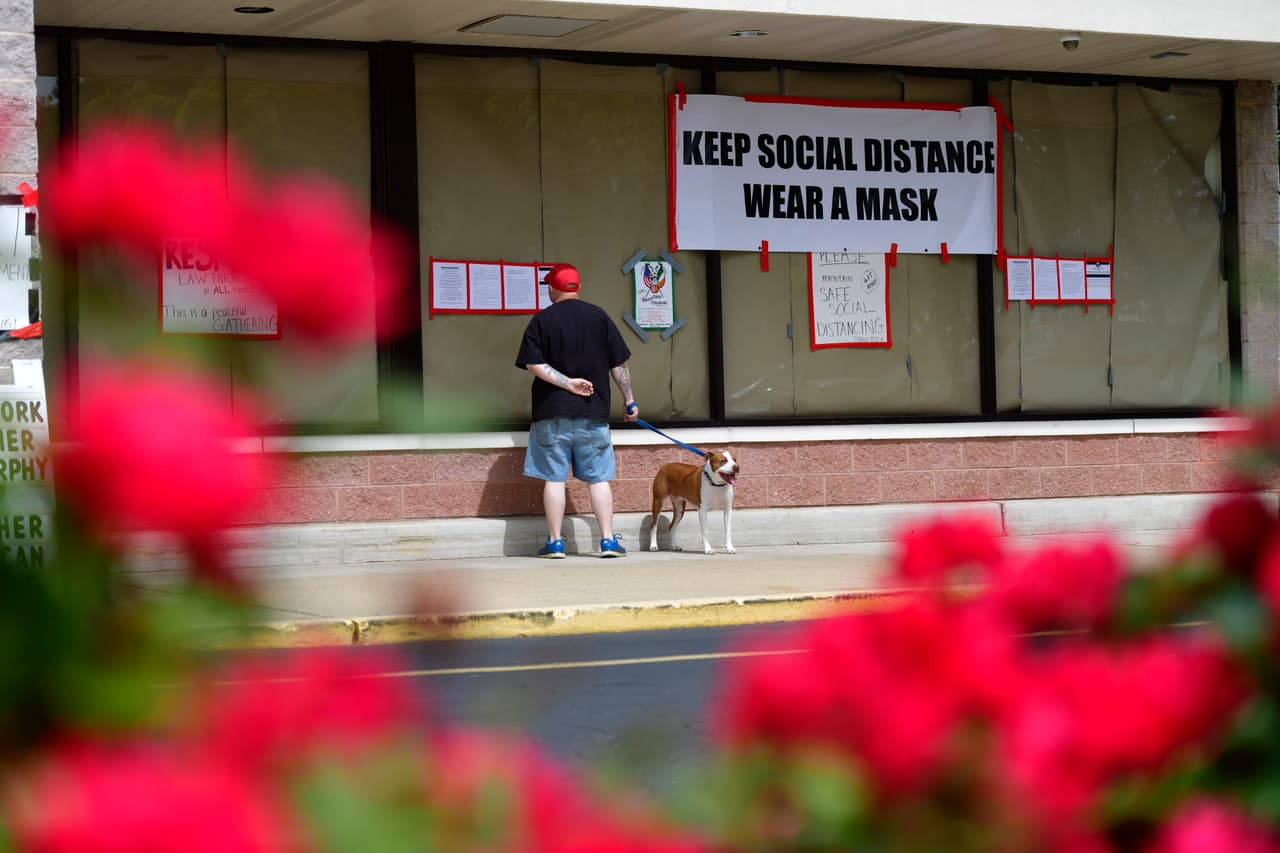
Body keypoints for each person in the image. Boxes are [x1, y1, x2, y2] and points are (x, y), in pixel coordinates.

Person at [515, 262, 638, 558]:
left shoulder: (542, 320)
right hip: (593, 413)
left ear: (552, 289)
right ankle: (607, 541)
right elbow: (618, 364)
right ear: (578, 287)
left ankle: (556, 542)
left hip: (551, 413)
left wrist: (567, 383)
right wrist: (629, 400)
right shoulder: (599, 317)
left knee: (554, 479)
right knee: (598, 479)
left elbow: (534, 363)